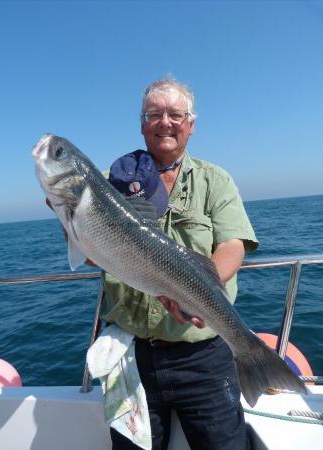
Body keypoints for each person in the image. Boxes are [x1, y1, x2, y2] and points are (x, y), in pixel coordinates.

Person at [99, 77, 258, 450]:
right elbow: (93, 250)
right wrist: (69, 215)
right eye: (154, 114)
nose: (165, 122)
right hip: (131, 355)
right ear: (142, 125)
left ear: (191, 124)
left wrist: (194, 291)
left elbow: (233, 244)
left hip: (202, 356)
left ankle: (252, 359)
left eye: (175, 114)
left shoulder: (214, 180)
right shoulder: (113, 181)